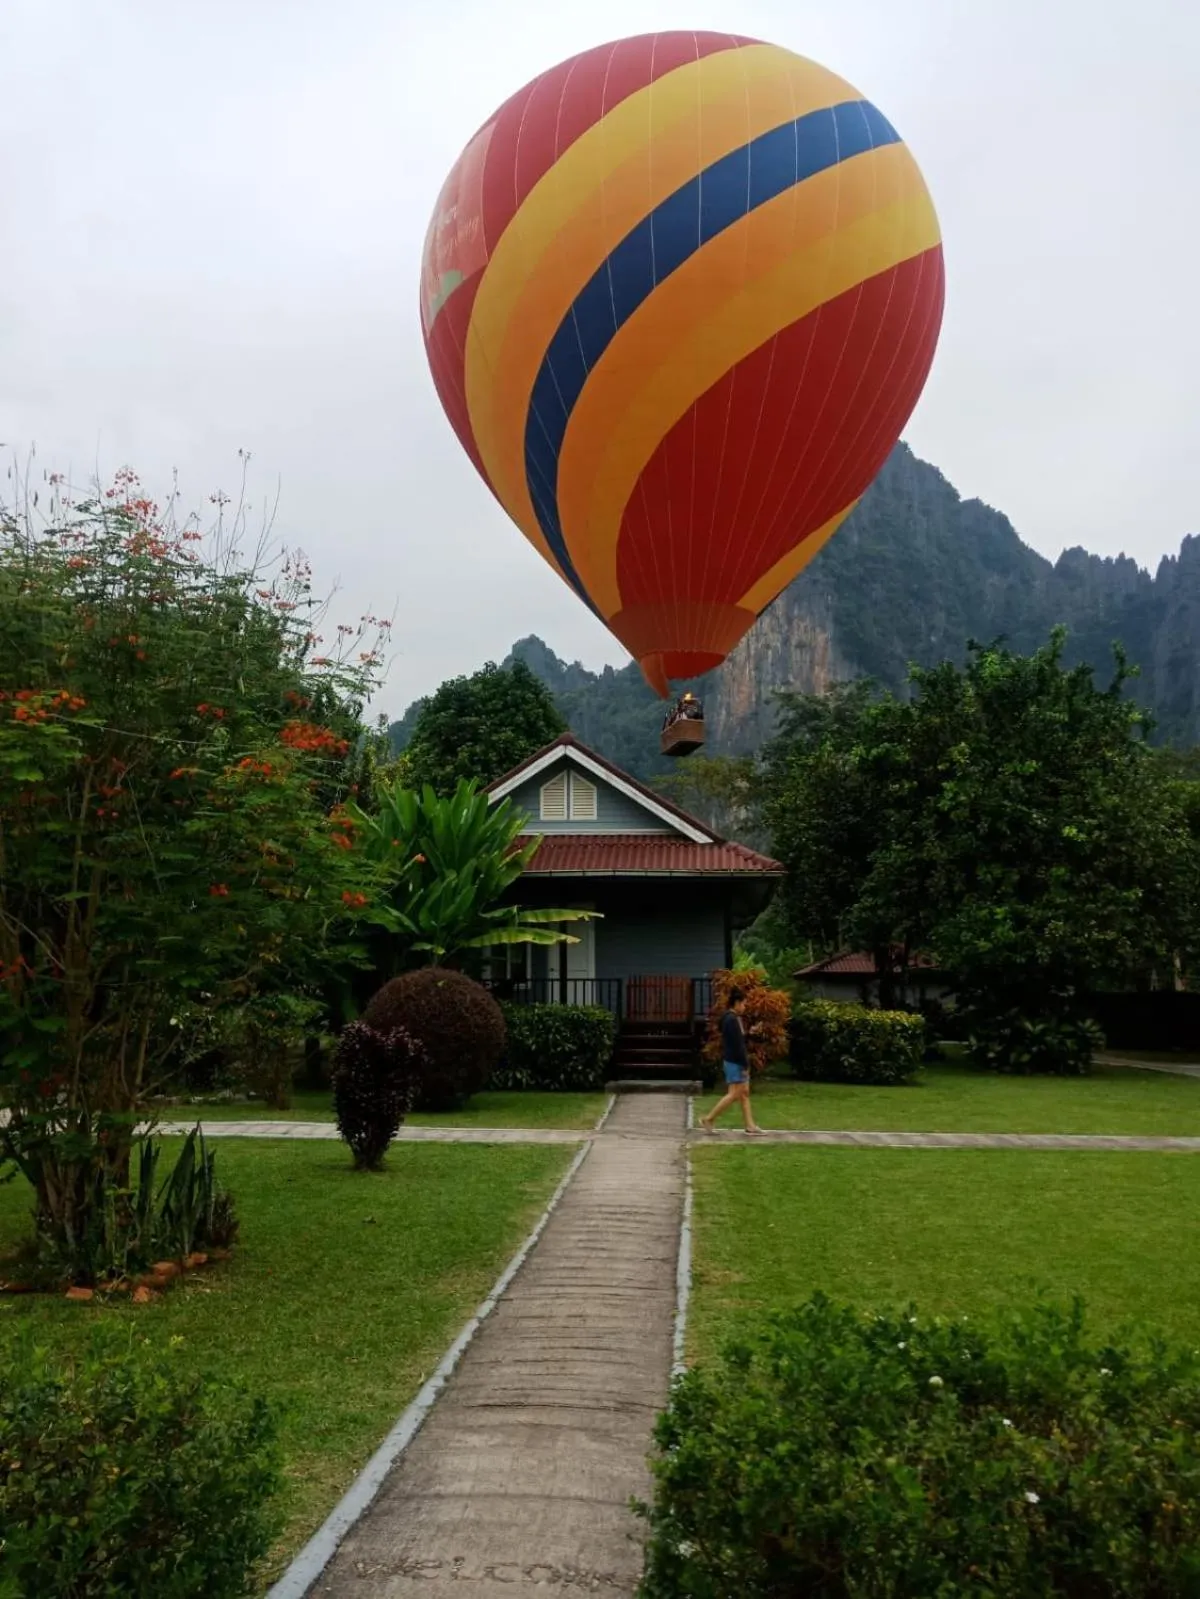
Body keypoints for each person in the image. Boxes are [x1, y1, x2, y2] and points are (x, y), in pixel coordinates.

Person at [699, 988, 761, 1134]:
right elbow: (737, 1045)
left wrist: (749, 1033)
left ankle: (750, 1126)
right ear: (737, 1003)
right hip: (735, 1062)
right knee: (734, 1094)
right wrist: (745, 1065)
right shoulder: (732, 1019)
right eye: (744, 1004)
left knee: (744, 1093)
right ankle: (708, 1119)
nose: (745, 1007)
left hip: (732, 1060)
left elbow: (737, 1039)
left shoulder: (728, 1018)